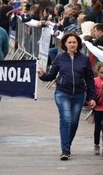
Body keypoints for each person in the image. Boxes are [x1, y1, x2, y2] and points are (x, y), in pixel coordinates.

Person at [38, 32, 97, 161]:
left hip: (79, 94)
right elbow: (51, 76)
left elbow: (90, 79)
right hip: (62, 93)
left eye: (74, 42)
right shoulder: (59, 58)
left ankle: (67, 145)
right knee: (66, 119)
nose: (72, 44)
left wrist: (92, 97)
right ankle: (65, 150)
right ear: (65, 43)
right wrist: (42, 75)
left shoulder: (84, 59)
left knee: (74, 122)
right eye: (69, 42)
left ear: (78, 44)